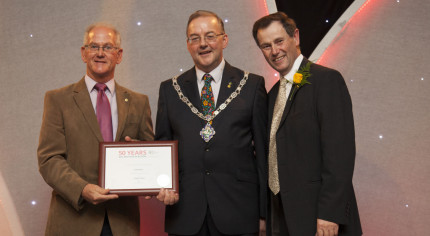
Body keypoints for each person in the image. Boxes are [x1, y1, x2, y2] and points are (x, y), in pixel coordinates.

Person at [155, 10, 268, 236]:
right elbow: (163, 147)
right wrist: (161, 182)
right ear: (188, 44)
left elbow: (264, 154)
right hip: (185, 214)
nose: (203, 44)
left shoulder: (252, 85)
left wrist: (265, 213)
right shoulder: (170, 89)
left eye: (210, 36)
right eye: (195, 38)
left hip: (239, 212)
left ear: (224, 40)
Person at [37, 23, 154, 236]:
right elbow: (49, 159)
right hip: (74, 219)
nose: (100, 53)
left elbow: (149, 155)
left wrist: (144, 158)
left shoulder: (139, 102)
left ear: (119, 55)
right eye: (94, 46)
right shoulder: (58, 100)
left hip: (122, 222)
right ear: (84, 53)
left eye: (108, 47)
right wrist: (82, 189)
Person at [252, 12, 362, 236]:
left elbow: (339, 153)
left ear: (296, 37)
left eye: (279, 41)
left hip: (320, 218)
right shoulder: (272, 95)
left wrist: (330, 213)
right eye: (266, 46)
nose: (274, 51)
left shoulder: (326, 80)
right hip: (281, 216)